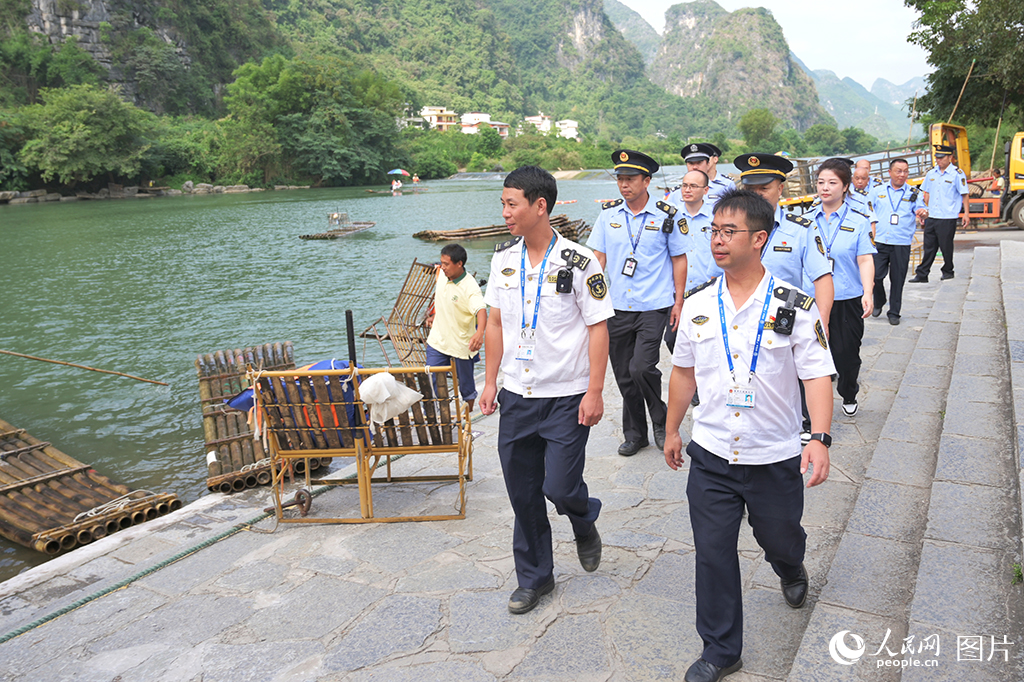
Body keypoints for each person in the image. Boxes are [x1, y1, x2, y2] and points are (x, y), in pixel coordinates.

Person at [664, 189, 835, 682]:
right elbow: (682, 374)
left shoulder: (795, 306)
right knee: (713, 553)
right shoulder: (698, 306)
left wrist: (818, 438)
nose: (717, 241)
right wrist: (674, 428)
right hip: (713, 453)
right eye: (713, 231)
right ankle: (720, 649)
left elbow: (817, 375)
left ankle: (790, 566)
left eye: (728, 232)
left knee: (778, 537)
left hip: (774, 456)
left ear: (759, 239)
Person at [480, 166, 613, 615]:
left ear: (540, 206)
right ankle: (536, 578)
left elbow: (598, 328)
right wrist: (490, 381)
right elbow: (495, 322)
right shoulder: (502, 259)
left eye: (511, 203)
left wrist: (595, 391)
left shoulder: (579, 262)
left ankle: (583, 516)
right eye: (502, 203)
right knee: (523, 492)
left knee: (559, 486)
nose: (504, 212)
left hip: (567, 396)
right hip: (518, 394)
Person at [589, 149, 690, 457]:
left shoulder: (667, 216)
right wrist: (587, 298)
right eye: (620, 179)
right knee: (623, 374)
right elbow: (598, 259)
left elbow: (679, 259)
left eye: (630, 179)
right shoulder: (608, 216)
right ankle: (636, 434)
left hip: (654, 304)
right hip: (617, 305)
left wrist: (679, 300)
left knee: (641, 367)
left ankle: (660, 421)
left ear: (646, 181)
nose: (624, 185)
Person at [734, 152, 834, 440]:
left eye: (763, 189)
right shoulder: (733, 228)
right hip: (740, 317)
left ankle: (804, 425)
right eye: (750, 189)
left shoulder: (800, 230)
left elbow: (822, 278)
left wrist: (821, 324)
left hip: (783, 319)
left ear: (780, 187)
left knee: (786, 382)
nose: (756, 196)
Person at [809, 158, 876, 417]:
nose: (825, 187)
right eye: (821, 182)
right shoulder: (805, 220)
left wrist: (868, 292)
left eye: (832, 182)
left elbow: (865, 259)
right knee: (813, 352)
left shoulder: (859, 220)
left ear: (845, 186)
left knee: (847, 355)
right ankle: (811, 411)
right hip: (812, 298)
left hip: (846, 296)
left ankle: (849, 390)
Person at [424, 243, 486, 412]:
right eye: (441, 263)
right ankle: (441, 414)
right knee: (432, 376)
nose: (442, 267)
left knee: (466, 387)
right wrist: (435, 315)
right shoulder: (442, 273)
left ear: (459, 264)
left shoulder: (470, 286)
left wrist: (480, 333)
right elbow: (437, 273)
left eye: (446, 264)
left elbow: (481, 310)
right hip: (438, 340)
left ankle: (468, 418)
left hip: (462, 344)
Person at [867, 158, 928, 325]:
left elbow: (921, 208)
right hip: (880, 240)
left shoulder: (914, 193)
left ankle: (894, 312)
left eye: (905, 171)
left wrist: (923, 212)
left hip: (901, 242)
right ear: (890, 172)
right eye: (899, 171)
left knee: (898, 278)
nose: (902, 174)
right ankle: (879, 300)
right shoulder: (877, 191)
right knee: (875, 276)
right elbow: (868, 211)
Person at [910, 144, 970, 282]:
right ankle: (922, 274)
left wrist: (966, 213)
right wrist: (924, 211)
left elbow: (964, 194)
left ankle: (948, 270)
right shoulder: (931, 173)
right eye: (937, 158)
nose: (938, 160)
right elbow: (926, 193)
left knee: (945, 246)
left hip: (947, 216)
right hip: (932, 215)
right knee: (929, 246)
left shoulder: (957, 174)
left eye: (941, 158)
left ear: (950, 157)